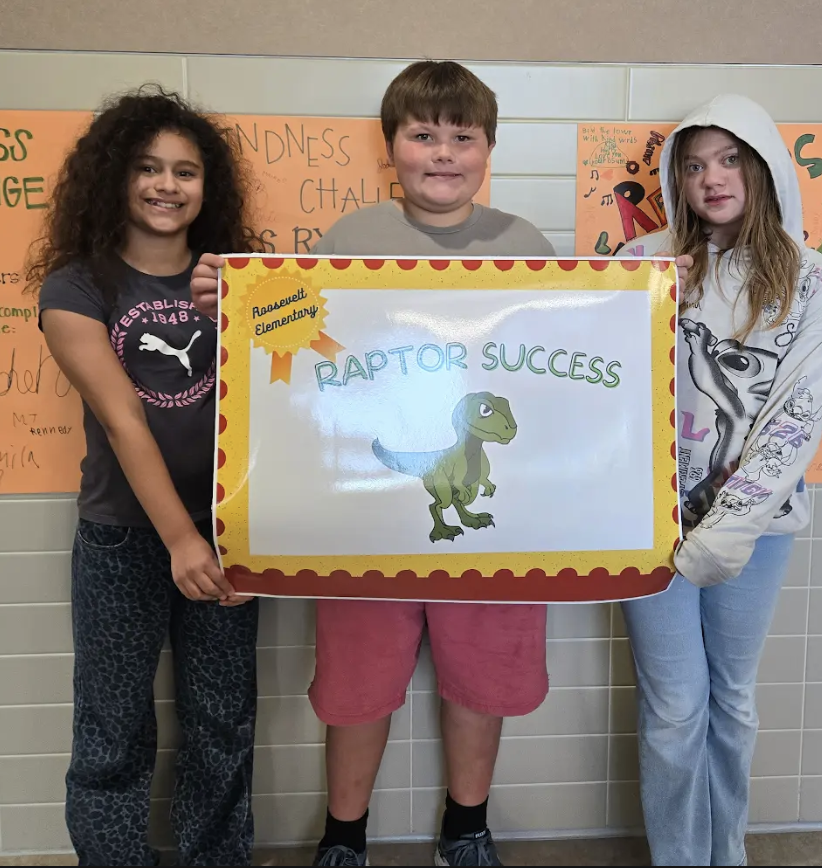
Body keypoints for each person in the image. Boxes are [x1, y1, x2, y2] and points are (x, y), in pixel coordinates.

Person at [190, 61, 692, 868]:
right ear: (392, 145)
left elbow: (570, 375)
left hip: (498, 531)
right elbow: (295, 368)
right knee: (356, 689)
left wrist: (664, 304)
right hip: (362, 521)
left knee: (484, 680)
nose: (443, 153)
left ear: (489, 148)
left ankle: (468, 830)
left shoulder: (525, 245)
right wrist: (235, 303)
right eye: (424, 134)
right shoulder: (347, 241)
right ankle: (343, 838)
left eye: (463, 137)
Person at [30, 86, 262, 867]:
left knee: (223, 719)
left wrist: (246, 306)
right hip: (126, 538)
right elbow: (125, 421)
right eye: (148, 168)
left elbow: (302, 395)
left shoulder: (245, 282)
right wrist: (179, 539)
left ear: (209, 187)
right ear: (116, 178)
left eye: (186, 171)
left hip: (230, 534)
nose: (167, 185)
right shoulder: (77, 286)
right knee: (113, 724)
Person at [618, 94, 822, 866]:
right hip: (650, 526)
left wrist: (731, 528)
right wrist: (648, 299)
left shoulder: (812, 280)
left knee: (732, 703)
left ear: (763, 167)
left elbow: (797, 415)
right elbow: (598, 386)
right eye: (692, 164)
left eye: (728, 159)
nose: (710, 178)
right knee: (675, 708)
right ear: (674, 179)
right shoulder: (645, 262)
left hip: (757, 531)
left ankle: (728, 855)